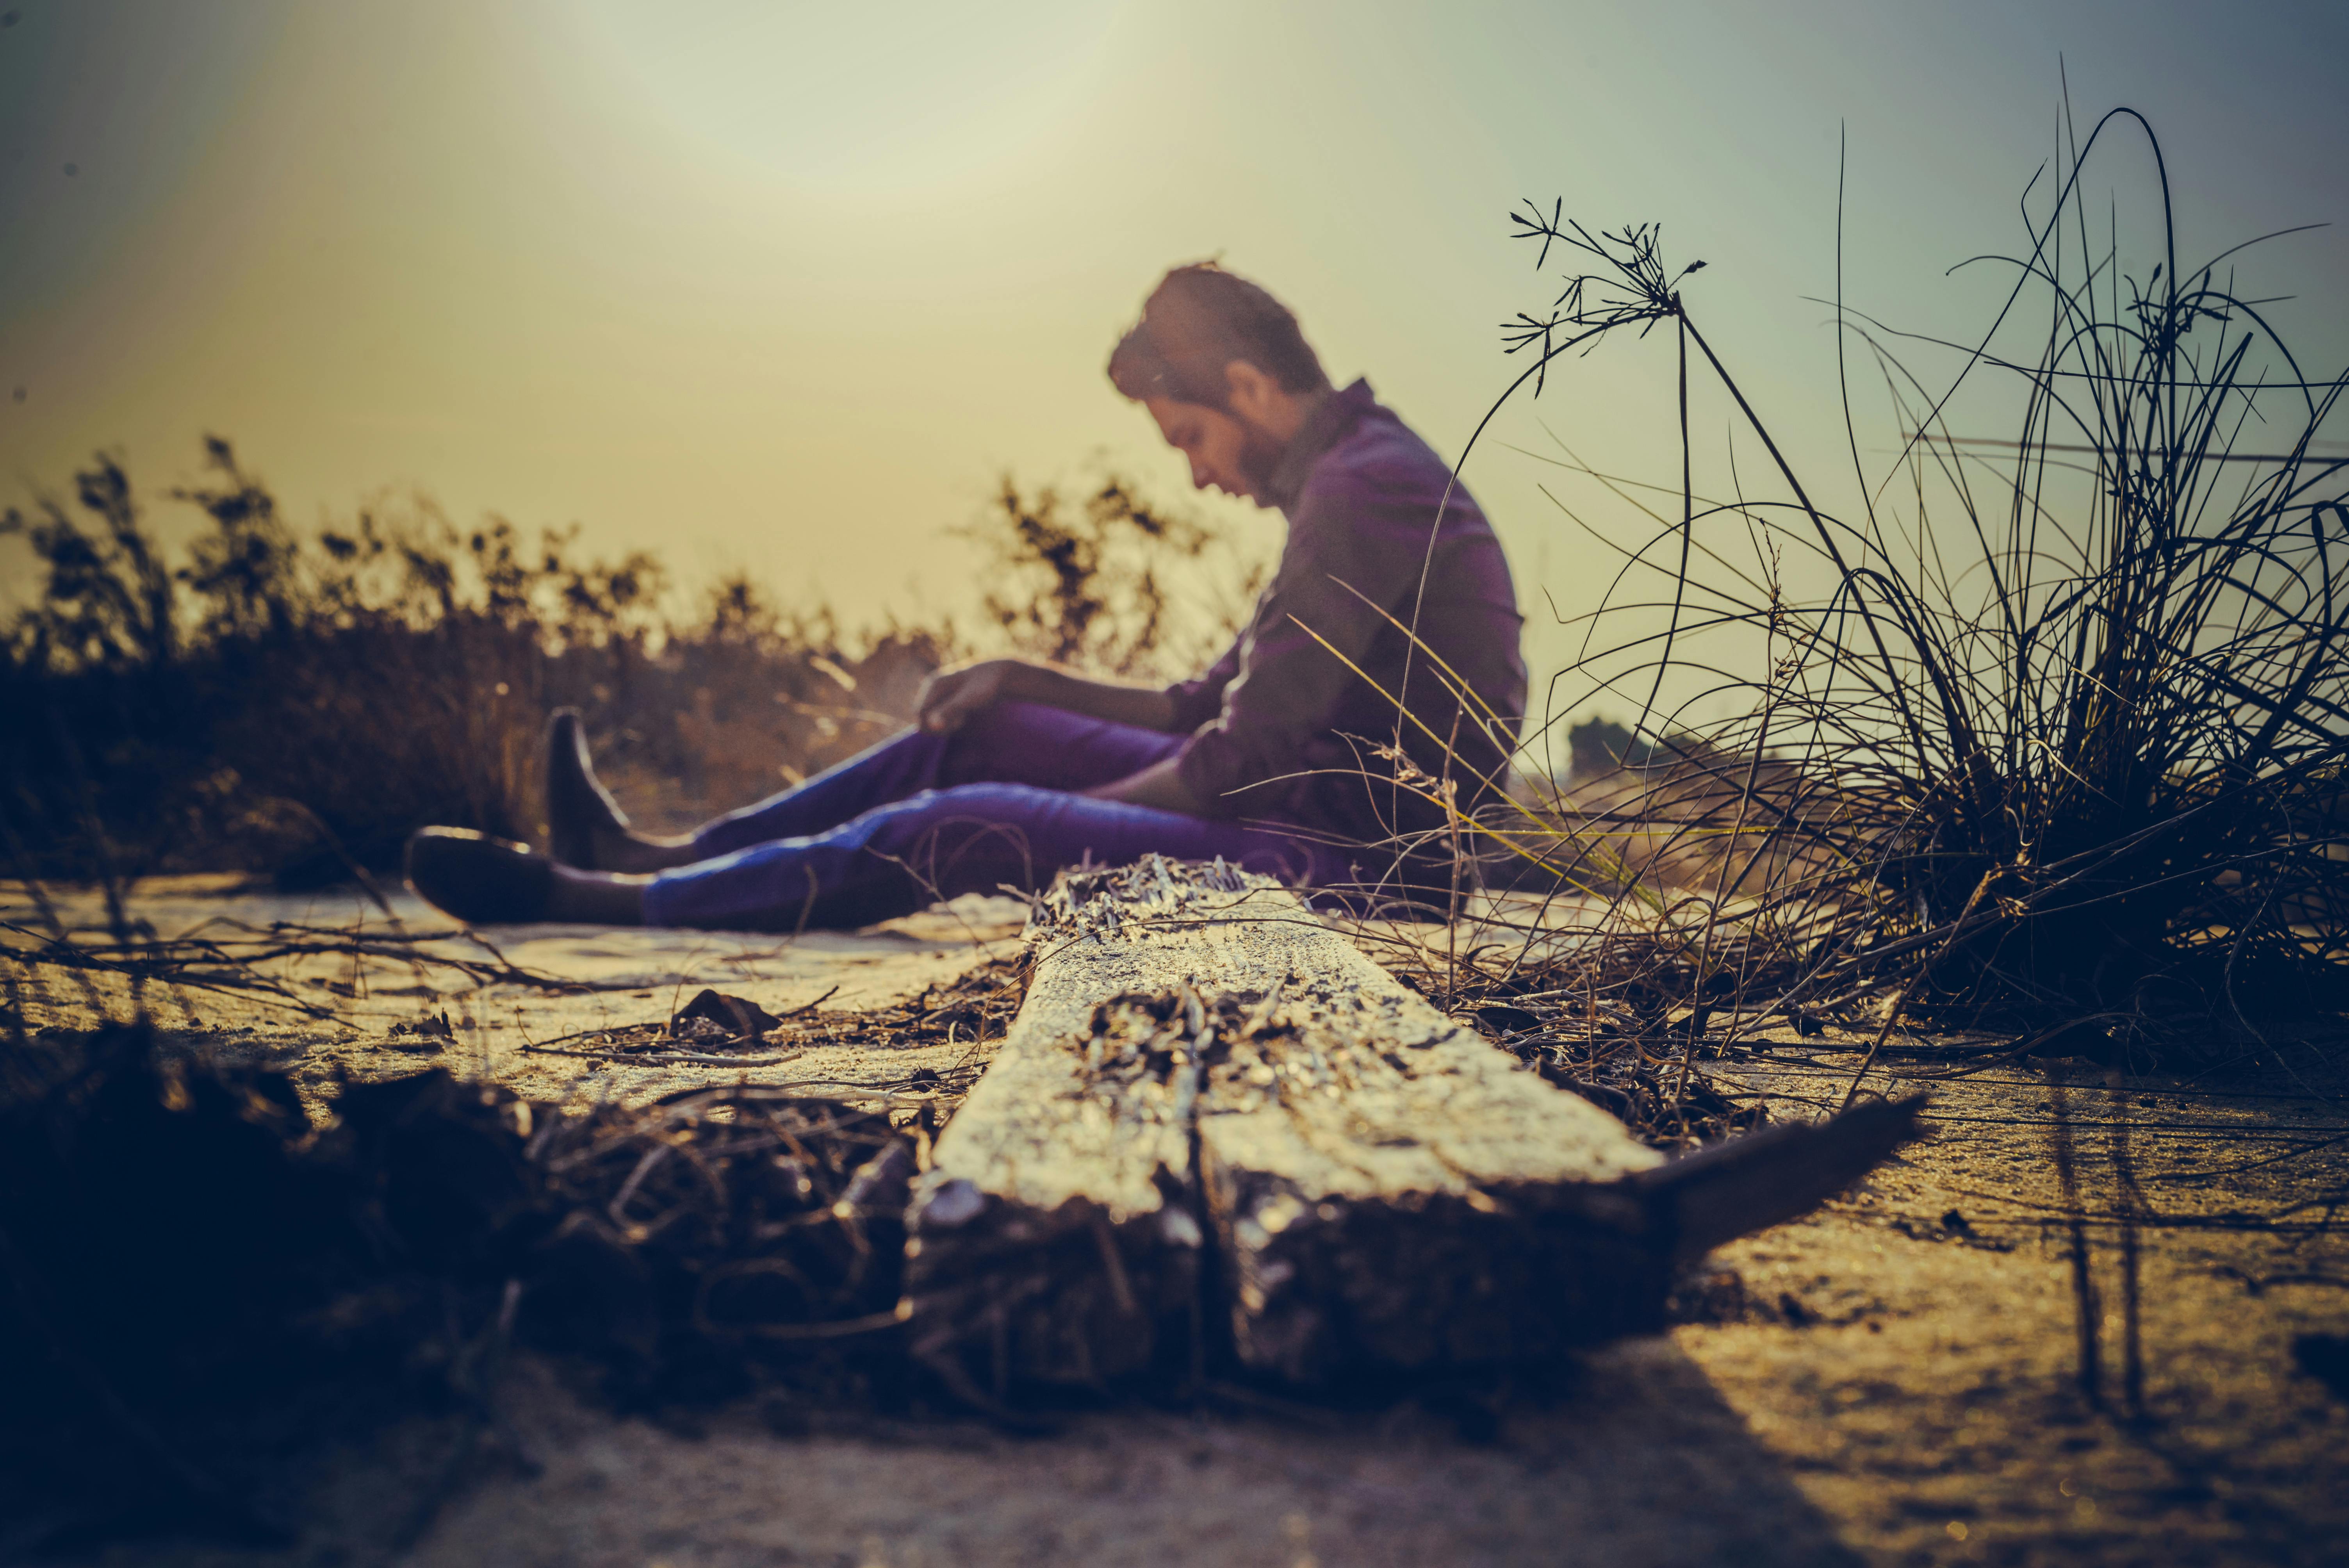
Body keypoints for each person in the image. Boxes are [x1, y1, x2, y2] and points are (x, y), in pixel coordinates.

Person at [403, 263, 1526, 930]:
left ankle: (599, 903)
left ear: (1246, 387)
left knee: (981, 818)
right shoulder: (1353, 476)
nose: (1194, 471)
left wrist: (1068, 817)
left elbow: (1231, 763)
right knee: (983, 729)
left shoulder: (1364, 494)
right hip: (1288, 822)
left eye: (1190, 438)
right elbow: (1203, 708)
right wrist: (1017, 681)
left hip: (1364, 878)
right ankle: (666, 857)